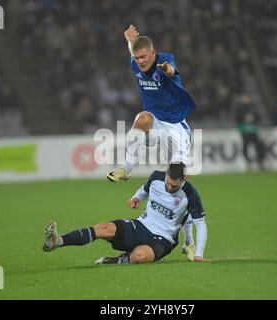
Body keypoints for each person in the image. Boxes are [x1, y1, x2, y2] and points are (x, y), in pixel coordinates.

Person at [44, 163, 210, 264]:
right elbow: (144, 190)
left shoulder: (191, 195)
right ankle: (57, 241)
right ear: (166, 174)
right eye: (168, 183)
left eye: (174, 186)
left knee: (139, 256)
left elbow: (200, 224)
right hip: (141, 224)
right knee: (104, 228)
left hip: (163, 238)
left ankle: (117, 260)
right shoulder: (156, 177)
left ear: (184, 179)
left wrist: (199, 254)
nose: (169, 188)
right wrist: (136, 197)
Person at [106, 25, 197, 183]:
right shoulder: (135, 64)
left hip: (175, 126)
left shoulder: (164, 60)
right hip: (154, 124)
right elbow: (135, 51)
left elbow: (171, 70)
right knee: (142, 119)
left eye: (143, 57)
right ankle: (126, 169)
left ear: (153, 53)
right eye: (137, 58)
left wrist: (167, 70)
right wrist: (130, 40)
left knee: (179, 178)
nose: (140, 61)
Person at [236, 94, 265, 171]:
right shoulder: (240, 108)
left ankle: (260, 161)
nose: (246, 100)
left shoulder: (254, 107)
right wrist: (244, 118)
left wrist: (253, 118)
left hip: (253, 130)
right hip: (244, 131)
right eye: (245, 98)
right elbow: (236, 118)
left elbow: (259, 116)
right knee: (245, 147)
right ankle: (248, 161)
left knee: (257, 146)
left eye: (247, 98)